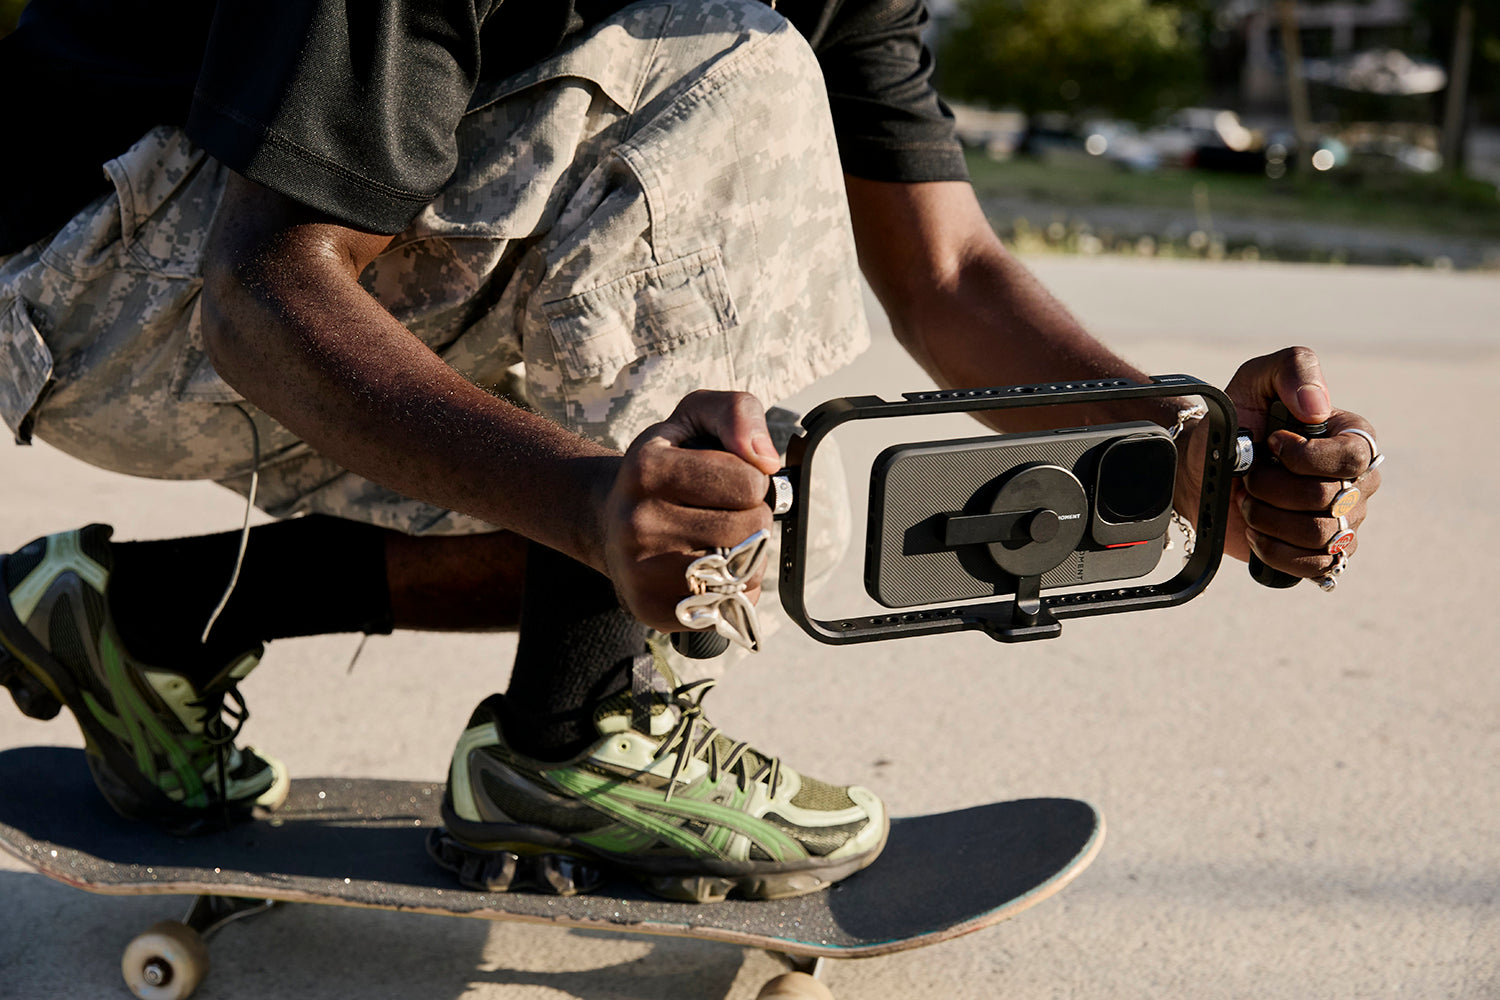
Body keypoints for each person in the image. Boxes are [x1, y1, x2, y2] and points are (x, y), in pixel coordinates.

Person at [0, 0, 1380, 902]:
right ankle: (574, 737)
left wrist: (1198, 454)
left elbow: (948, 274)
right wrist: (595, 502)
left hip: (212, 290)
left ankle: (140, 619)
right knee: (738, 76)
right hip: (94, 283)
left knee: (725, 496)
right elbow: (264, 287)